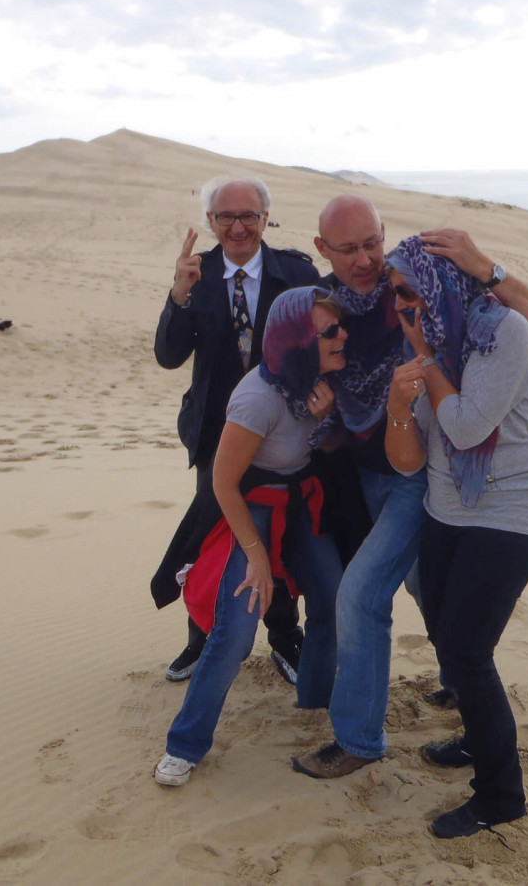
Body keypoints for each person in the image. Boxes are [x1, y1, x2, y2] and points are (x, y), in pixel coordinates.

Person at [293, 196, 528, 779]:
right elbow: (282, 359)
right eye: (349, 249)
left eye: (372, 244)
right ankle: (462, 686)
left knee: (362, 596)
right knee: (422, 587)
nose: (365, 260)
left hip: (421, 476)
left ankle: (359, 739)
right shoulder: (321, 307)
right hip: (362, 473)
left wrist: (487, 266)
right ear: (322, 251)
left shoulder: (411, 290)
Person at [383, 236, 528, 839]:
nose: (400, 303)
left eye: (409, 290)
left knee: (467, 653)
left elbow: (462, 428)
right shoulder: (437, 342)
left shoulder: (501, 333)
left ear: (441, 285)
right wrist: (398, 406)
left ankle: (501, 796)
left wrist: (426, 361)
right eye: (394, 292)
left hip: (510, 515)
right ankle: (474, 737)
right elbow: (412, 457)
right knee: (442, 631)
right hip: (447, 510)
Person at [154, 286, 346, 786]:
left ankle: (315, 703)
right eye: (330, 331)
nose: (342, 337)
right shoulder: (257, 397)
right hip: (252, 505)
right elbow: (222, 481)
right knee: (237, 629)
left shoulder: (325, 379)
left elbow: (333, 449)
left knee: (334, 596)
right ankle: (185, 744)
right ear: (299, 339)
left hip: (301, 500)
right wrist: (257, 557)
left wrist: (329, 421)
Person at [152, 176, 319, 685]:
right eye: (226, 216)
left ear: (267, 218)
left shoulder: (295, 271)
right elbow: (168, 356)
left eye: (249, 215)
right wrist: (178, 296)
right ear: (210, 222)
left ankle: (285, 636)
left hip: (284, 435)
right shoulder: (196, 274)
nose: (238, 226)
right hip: (216, 434)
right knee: (211, 535)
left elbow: (327, 336)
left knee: (281, 534)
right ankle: (199, 636)